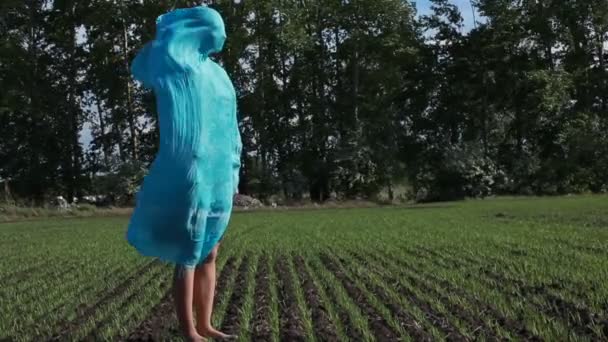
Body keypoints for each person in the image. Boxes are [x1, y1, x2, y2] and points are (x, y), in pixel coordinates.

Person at [125, 5, 241, 341]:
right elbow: (145, 64)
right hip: (191, 168)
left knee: (211, 250)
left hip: (219, 171)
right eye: (215, 27)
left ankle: (206, 324)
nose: (221, 34)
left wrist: (234, 168)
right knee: (189, 251)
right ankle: (190, 331)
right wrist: (167, 33)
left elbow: (231, 125)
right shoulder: (181, 64)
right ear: (198, 30)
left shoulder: (220, 75)